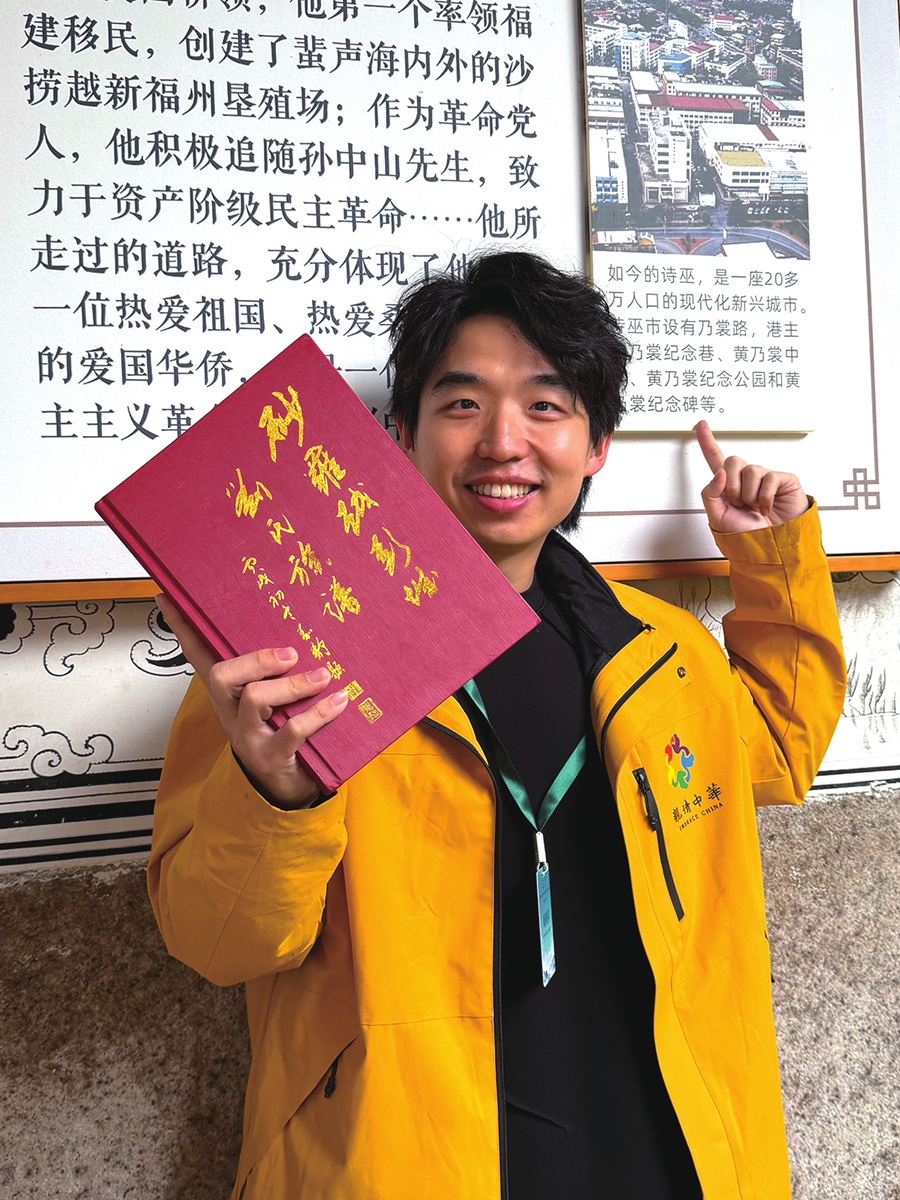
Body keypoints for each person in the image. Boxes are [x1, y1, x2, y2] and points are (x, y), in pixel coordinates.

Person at [149, 251, 845, 1200]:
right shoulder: (281, 662)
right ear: (403, 433)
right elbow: (216, 942)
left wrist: (771, 558)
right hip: (406, 1156)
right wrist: (278, 794)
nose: (503, 443)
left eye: (548, 406)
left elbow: (776, 751)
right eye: (463, 403)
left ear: (597, 444)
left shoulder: (661, 650)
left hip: (663, 1146)